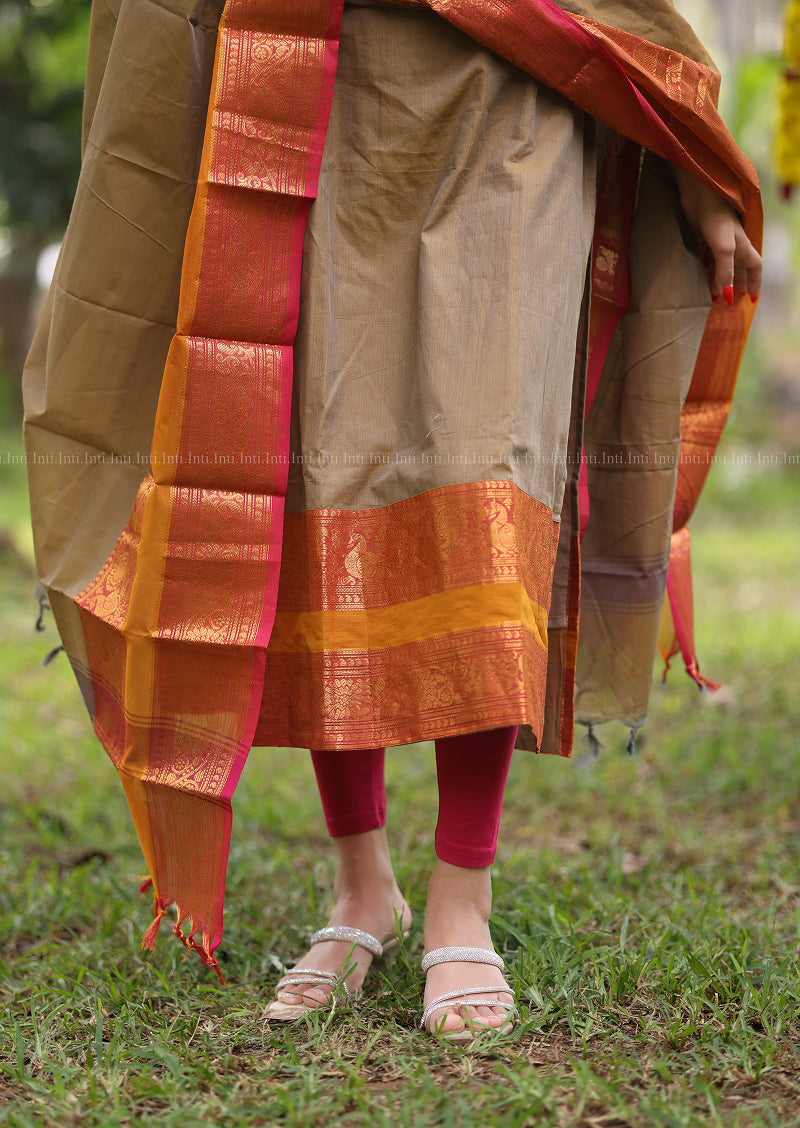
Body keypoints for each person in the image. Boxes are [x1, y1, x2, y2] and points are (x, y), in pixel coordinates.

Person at [23, 0, 761, 1041]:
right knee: (333, 478)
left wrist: (691, 161)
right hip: (318, 90)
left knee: (487, 480)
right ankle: (361, 889)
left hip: (515, 108)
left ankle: (463, 890)